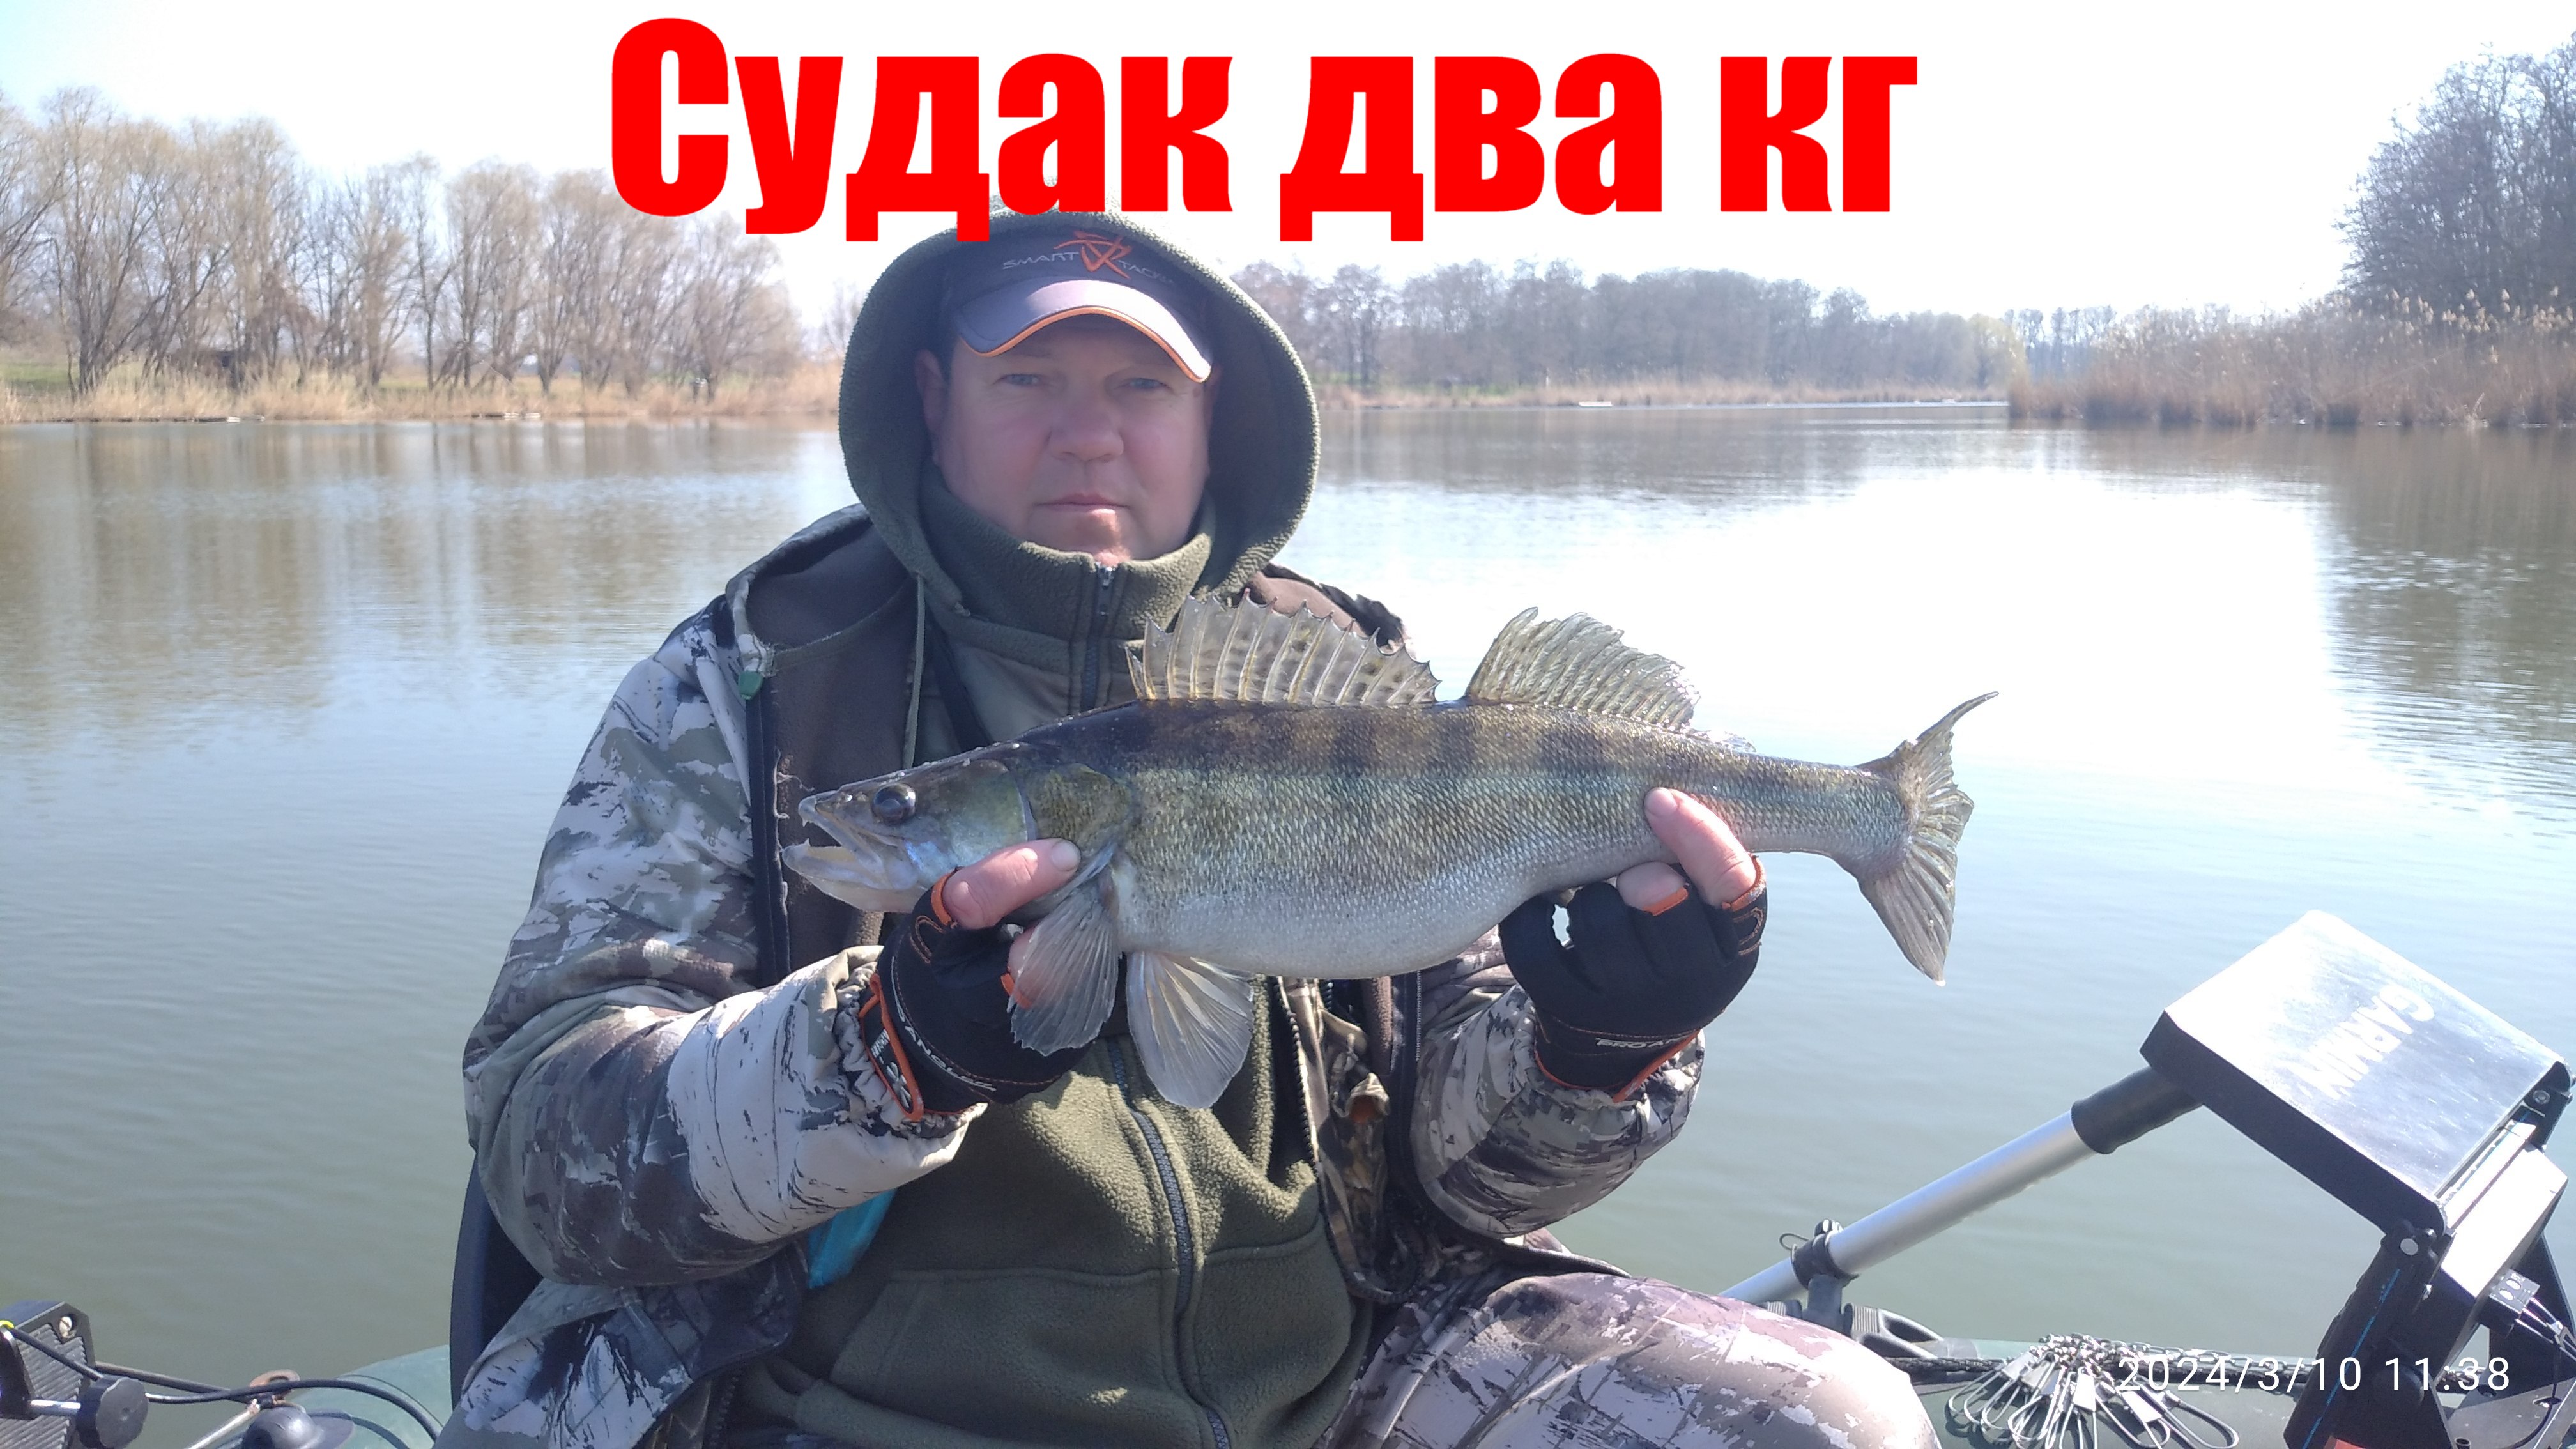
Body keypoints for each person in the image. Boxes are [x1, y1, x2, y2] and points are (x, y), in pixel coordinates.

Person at [439, 210, 1936, 1449]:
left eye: (1142, 387)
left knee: (1840, 1422)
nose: (1088, 435)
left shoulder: (1348, 675)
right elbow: (546, 1149)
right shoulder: (752, 687)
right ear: (932, 398)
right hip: (861, 1409)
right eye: (1030, 378)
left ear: (1214, 421)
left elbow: (1478, 1183)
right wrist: (884, 1053)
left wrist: (1598, 1049)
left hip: (1335, 1378)